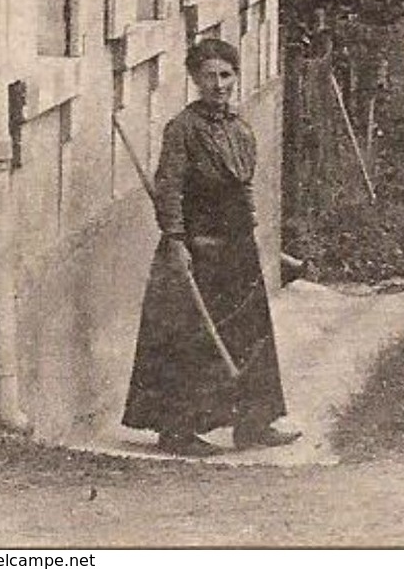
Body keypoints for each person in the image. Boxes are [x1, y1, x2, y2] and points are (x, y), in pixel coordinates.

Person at [123, 39, 300, 457]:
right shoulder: (182, 129)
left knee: (250, 332)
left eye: (226, 75)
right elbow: (169, 190)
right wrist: (177, 241)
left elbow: (244, 184)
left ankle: (254, 423)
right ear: (195, 80)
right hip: (198, 246)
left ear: (236, 77)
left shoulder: (239, 127)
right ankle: (178, 431)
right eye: (209, 76)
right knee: (193, 337)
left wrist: (252, 225)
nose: (219, 84)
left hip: (237, 244)